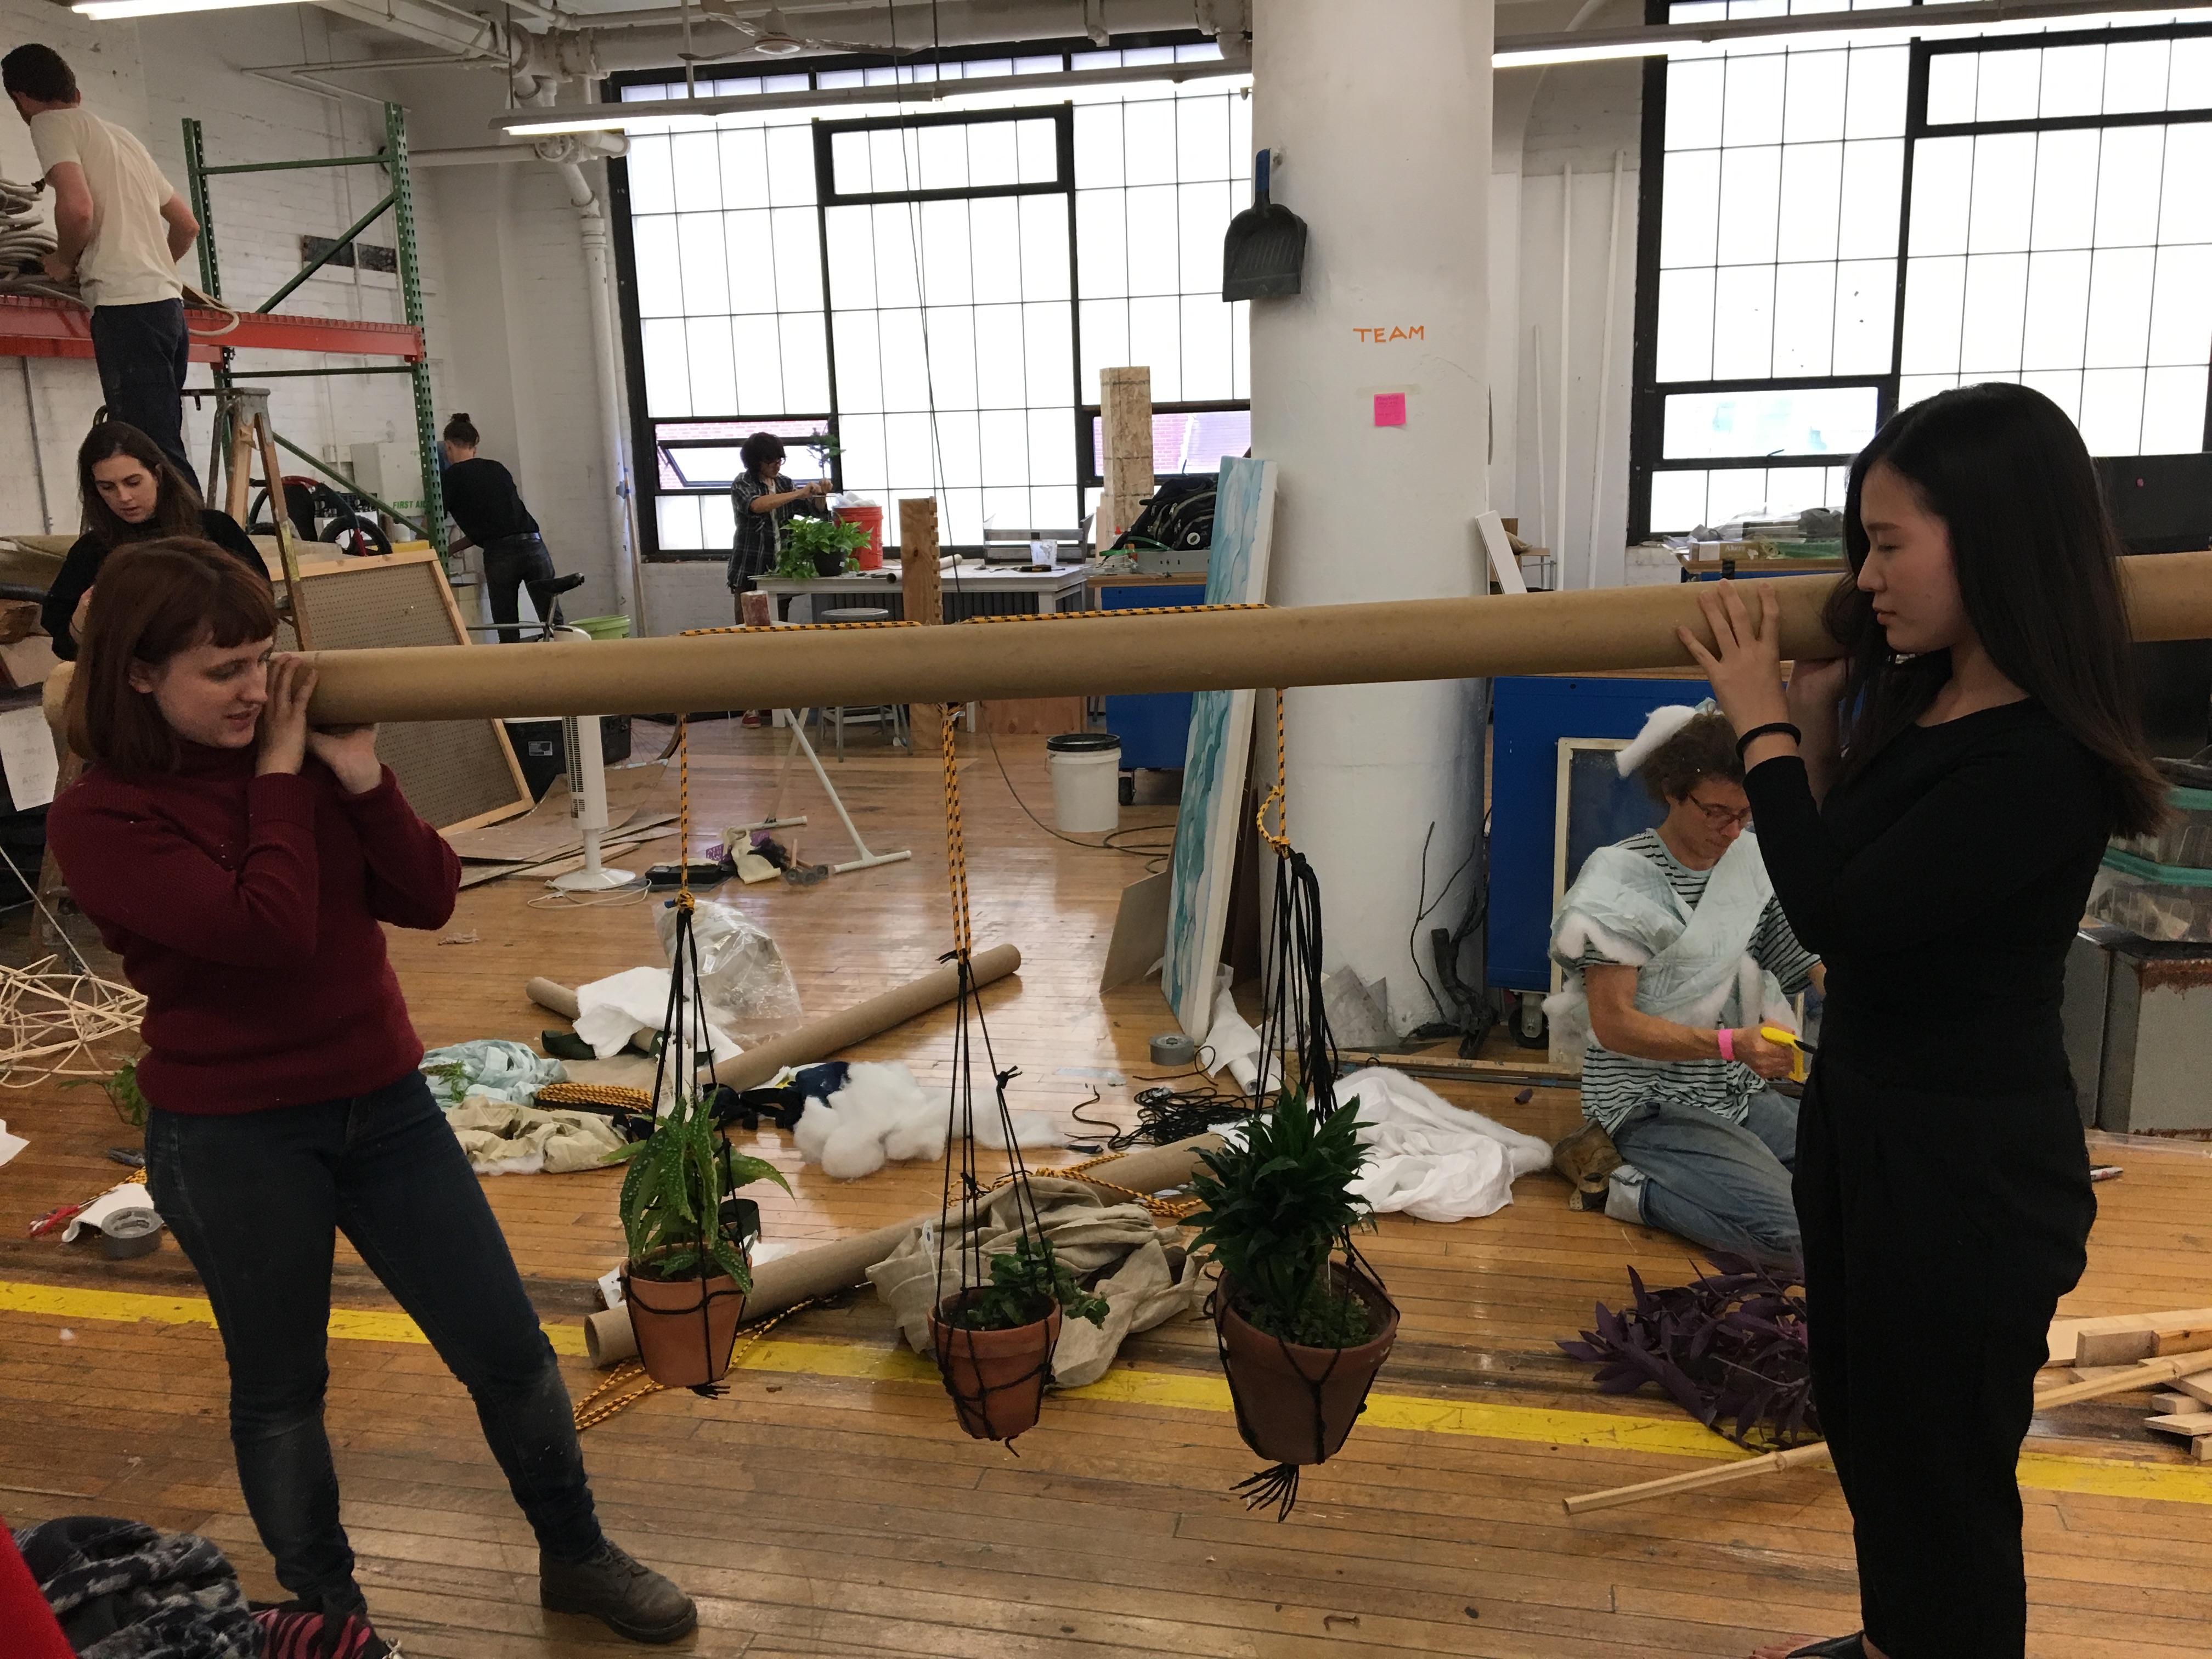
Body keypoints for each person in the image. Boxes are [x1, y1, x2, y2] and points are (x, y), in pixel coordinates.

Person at [45, 539, 699, 1650]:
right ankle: (331, 1621)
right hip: (231, 1134)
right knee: (282, 1390)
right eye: (223, 670)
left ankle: (577, 1552)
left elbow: (431, 895)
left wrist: (358, 774)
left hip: (383, 1101)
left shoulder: (301, 761)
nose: (255, 688)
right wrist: (278, 776)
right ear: (140, 674)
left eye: (262, 659)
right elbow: (268, 927)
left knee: (508, 1348)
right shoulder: (103, 816)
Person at [1679, 383, 2163, 1659]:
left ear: (1994, 538)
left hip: (1968, 1167)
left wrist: (1761, 722)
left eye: (1890, 545)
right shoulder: (1931, 700)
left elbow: (1842, 914)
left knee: (1944, 1473)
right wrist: (1815, 727)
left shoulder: (2040, 758)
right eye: (1864, 547)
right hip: (1869, 1120)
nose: (1867, 577)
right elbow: (1843, 859)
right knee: (1872, 1429)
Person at [1545, 706, 1821, 1269]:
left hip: (1734, 1088)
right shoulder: (1620, 881)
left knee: (1860, 1188)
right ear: (1672, 792)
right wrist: (1732, 1044)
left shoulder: (1749, 860)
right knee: (1797, 1239)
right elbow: (1614, 1026)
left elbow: (1801, 958)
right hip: (1648, 1099)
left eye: (1744, 813)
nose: (1732, 830)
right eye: (1716, 812)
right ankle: (1622, 1186)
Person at [4, 45, 202, 488]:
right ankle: (184, 529)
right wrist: (150, 268)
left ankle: (192, 531)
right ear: (76, 92)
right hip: (167, 309)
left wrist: (62, 261)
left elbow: (78, 209)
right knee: (159, 443)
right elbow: (187, 226)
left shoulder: (50, 123)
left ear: (21, 98)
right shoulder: (122, 138)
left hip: (126, 310)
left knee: (146, 451)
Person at [43, 420, 268, 661]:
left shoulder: (216, 529)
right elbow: (64, 644)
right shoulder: (90, 551)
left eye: (133, 482)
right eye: (107, 487)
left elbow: (260, 603)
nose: (124, 497)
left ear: (158, 474)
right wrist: (81, 622)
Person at [441, 413, 580, 641]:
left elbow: (435, 520)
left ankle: (514, 663)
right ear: (474, 448)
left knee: (507, 628)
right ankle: (567, 659)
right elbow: (499, 522)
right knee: (553, 621)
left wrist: (442, 549)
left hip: (500, 556)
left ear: (448, 446)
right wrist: (453, 548)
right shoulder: (497, 469)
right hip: (534, 545)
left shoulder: (449, 478)